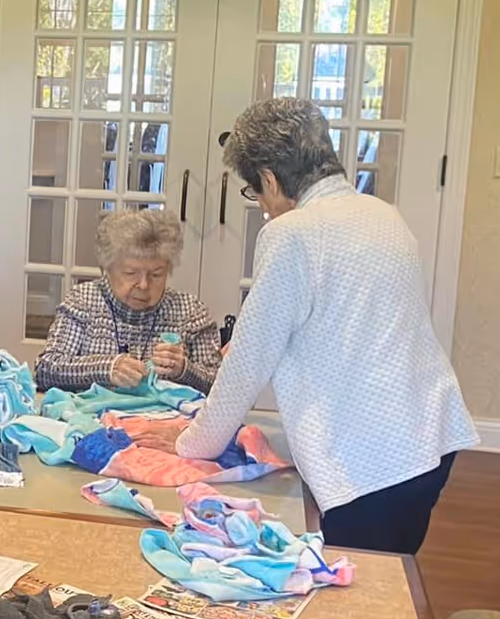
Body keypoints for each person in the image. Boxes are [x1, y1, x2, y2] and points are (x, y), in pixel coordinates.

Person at [176, 99, 476, 553]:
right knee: (390, 577)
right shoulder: (383, 214)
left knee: (356, 589)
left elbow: (248, 364)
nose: (261, 206)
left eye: (255, 192)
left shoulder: (292, 233)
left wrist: (192, 445)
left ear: (271, 180)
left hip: (372, 460)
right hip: (431, 435)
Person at [35, 208, 221, 394]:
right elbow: (45, 370)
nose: (143, 284)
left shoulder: (190, 312)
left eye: (156, 274)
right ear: (107, 268)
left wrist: (184, 370)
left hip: (167, 421)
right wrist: (107, 368)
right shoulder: (83, 301)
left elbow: (222, 387)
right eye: (131, 273)